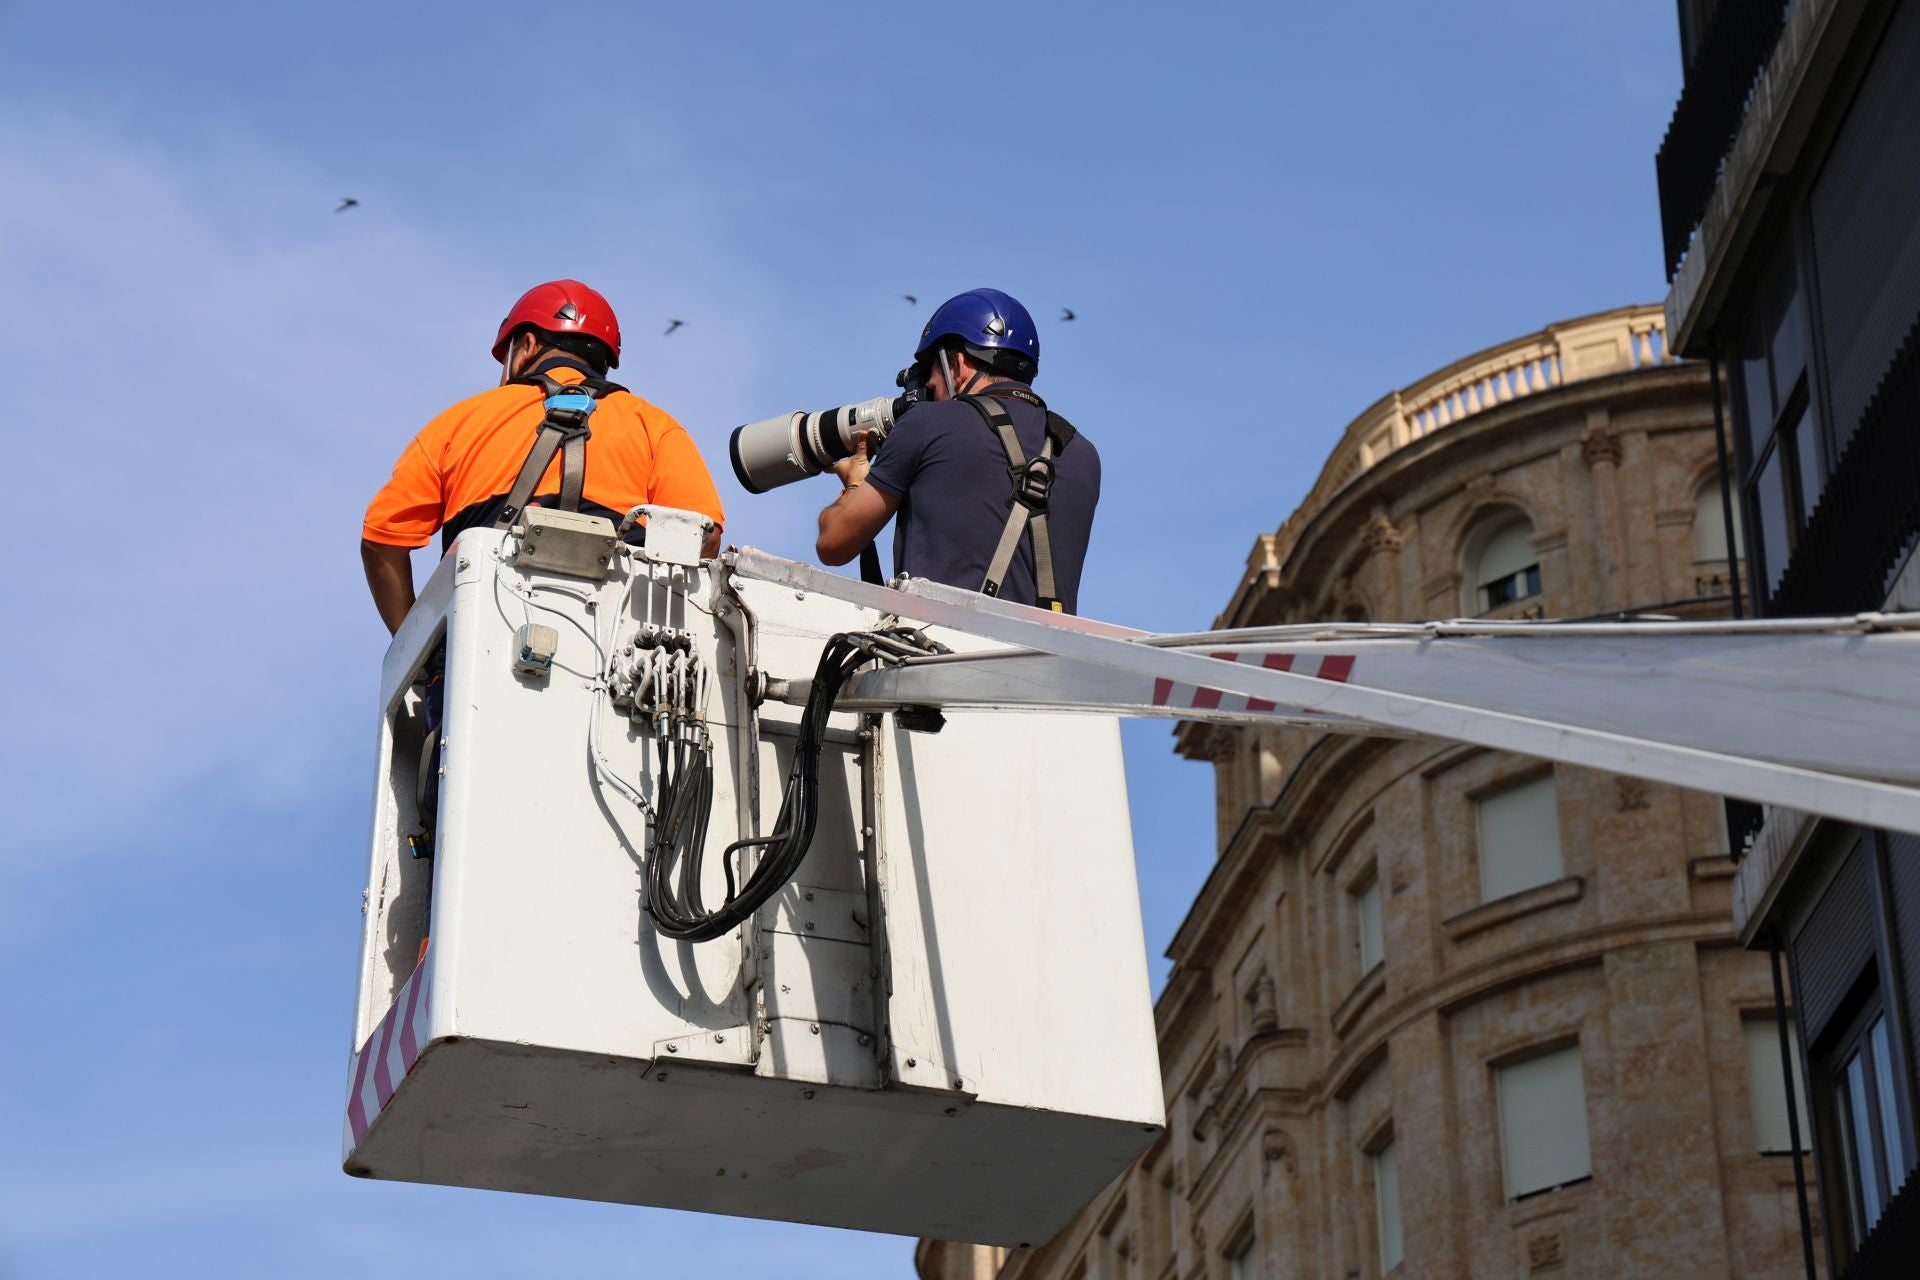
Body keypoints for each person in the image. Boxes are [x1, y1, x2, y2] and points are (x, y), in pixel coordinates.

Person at [361, 279, 727, 633]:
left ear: (528, 344)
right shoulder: (654, 426)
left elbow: (381, 540)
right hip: (622, 655)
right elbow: (703, 537)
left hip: (480, 646)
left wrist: (417, 650)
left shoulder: (460, 422)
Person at [814, 288, 1100, 613]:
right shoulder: (1082, 453)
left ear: (957, 363)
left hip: (941, 653)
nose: (929, 391)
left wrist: (855, 482)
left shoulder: (927, 423)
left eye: (930, 377)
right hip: (1047, 658)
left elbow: (834, 544)